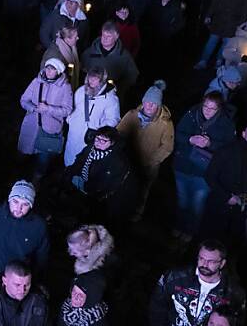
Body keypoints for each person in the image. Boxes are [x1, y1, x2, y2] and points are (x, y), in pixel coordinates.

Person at [149, 241, 246, 326]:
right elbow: (157, 308)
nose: (204, 264)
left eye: (211, 261)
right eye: (201, 259)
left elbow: (236, 323)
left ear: (222, 263)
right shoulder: (174, 277)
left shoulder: (233, 292)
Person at [172, 92, 236, 240]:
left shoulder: (226, 124)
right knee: (182, 201)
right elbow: (177, 133)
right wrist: (190, 139)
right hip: (183, 167)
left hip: (205, 173)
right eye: (205, 106)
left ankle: (190, 232)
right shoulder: (191, 114)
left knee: (197, 204)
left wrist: (210, 144)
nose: (207, 110)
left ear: (219, 109)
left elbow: (229, 149)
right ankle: (178, 226)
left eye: (212, 108)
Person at [117, 81, 175, 220]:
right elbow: (118, 133)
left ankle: (137, 212)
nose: (149, 106)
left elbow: (167, 147)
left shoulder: (165, 123)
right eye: (147, 102)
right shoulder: (132, 115)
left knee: (143, 189)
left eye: (153, 103)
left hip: (148, 165)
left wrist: (150, 161)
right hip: (127, 161)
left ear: (158, 105)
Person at [199, 123, 247, 244]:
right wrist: (227, 196)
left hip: (241, 209)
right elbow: (210, 176)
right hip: (219, 205)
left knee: (232, 240)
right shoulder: (226, 151)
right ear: (244, 134)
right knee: (209, 237)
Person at [0, 180, 50, 278]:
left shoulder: (39, 226)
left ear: (31, 205)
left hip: (15, 283)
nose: (19, 208)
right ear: (9, 199)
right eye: (15, 201)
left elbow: (41, 259)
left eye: (25, 204)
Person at [18, 58, 74, 180]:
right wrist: (33, 108)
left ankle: (36, 180)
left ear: (58, 72)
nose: (48, 71)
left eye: (52, 69)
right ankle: (18, 176)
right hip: (32, 124)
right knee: (24, 152)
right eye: (47, 68)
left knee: (43, 159)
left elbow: (67, 110)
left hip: (50, 128)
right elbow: (23, 100)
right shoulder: (36, 82)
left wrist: (48, 109)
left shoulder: (65, 87)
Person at [63, 66, 120, 167]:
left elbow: (113, 119)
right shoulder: (81, 91)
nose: (91, 81)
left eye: (96, 78)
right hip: (74, 133)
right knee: (69, 158)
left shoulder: (110, 98)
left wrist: (97, 129)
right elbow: (75, 108)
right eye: (90, 77)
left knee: (83, 163)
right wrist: (71, 119)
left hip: (90, 137)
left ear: (102, 80)